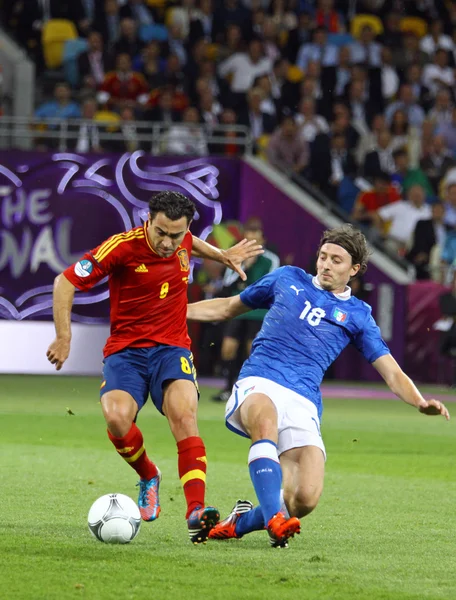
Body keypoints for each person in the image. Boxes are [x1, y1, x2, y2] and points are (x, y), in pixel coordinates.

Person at [186, 224, 450, 548]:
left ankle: (241, 521)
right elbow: (228, 306)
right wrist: (177, 313)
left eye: (336, 260)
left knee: (303, 499)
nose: (326, 264)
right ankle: (274, 521)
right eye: (323, 256)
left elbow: (392, 372)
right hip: (261, 379)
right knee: (265, 423)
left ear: (354, 269)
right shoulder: (286, 279)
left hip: (304, 400)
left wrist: (420, 401)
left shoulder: (358, 315)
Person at [46, 191, 263, 544]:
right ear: (148, 220)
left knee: (183, 414)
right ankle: (149, 474)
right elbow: (65, 281)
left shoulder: (183, 240)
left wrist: (221, 255)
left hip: (171, 348)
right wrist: (64, 336)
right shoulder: (122, 247)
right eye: (160, 232)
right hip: (126, 351)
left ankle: (196, 511)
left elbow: (191, 243)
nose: (167, 242)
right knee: (117, 418)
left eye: (175, 235)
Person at [212, 218, 280, 403]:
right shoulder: (236, 257)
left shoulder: (271, 259)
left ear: (262, 240)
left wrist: (250, 280)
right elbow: (227, 283)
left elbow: (272, 286)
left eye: (256, 238)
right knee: (228, 349)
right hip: (237, 308)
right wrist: (244, 266)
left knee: (253, 351)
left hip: (258, 311)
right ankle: (228, 388)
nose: (252, 241)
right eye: (249, 238)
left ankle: (253, 390)